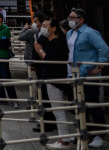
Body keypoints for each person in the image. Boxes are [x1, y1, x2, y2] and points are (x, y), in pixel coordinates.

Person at [67, 8, 109, 149]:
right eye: (69, 17)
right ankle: (82, 131)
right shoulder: (69, 33)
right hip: (73, 73)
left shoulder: (90, 33)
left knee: (92, 104)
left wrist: (100, 66)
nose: (70, 19)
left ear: (81, 19)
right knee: (77, 105)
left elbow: (103, 48)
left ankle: (100, 134)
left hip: (88, 74)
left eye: (72, 17)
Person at [34, 18, 72, 150]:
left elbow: (50, 60)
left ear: (53, 28)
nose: (42, 28)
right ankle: (63, 138)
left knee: (58, 109)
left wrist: (40, 51)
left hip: (55, 78)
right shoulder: (50, 40)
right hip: (51, 77)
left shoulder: (57, 42)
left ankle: (64, 141)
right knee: (57, 110)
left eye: (45, 26)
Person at [0, 11, 19, 108]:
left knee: (6, 77)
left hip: (3, 56)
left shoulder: (5, 29)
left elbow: (5, 43)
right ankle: (1, 99)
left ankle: (14, 100)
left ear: (0, 19)